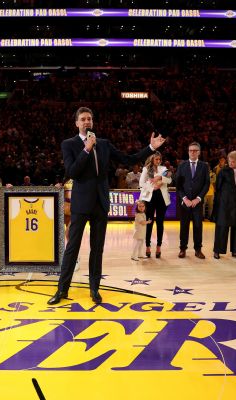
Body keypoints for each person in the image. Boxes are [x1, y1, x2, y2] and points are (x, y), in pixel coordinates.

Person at [48, 106, 165, 305]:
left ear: (92, 122)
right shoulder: (68, 144)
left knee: (97, 249)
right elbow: (72, 171)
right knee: (72, 248)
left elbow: (129, 159)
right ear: (77, 123)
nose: (87, 122)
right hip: (80, 204)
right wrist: (86, 149)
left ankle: (94, 289)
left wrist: (151, 148)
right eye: (83, 119)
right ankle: (62, 290)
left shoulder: (103, 144)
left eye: (89, 119)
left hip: (100, 203)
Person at [175, 142, 210, 259]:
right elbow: (178, 185)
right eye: (191, 150)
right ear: (188, 152)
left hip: (198, 203)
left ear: (199, 152)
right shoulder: (182, 165)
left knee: (198, 227)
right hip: (185, 203)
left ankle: (198, 249)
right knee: (184, 226)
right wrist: (184, 198)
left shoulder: (204, 166)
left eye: (195, 150)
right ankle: (182, 249)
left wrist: (198, 198)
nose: (193, 152)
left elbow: (206, 184)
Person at [211, 151, 236, 259]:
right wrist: (218, 203)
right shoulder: (223, 171)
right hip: (225, 203)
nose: (230, 163)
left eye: (233, 161)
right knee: (222, 226)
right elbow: (218, 188)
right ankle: (217, 251)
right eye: (229, 161)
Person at [139, 152, 172, 258]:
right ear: (152, 159)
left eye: (159, 159)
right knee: (149, 222)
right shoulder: (146, 169)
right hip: (150, 198)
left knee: (160, 222)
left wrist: (159, 178)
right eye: (156, 159)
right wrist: (152, 187)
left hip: (162, 199)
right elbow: (141, 184)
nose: (158, 161)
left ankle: (158, 247)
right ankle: (148, 246)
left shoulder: (163, 169)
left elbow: (170, 179)